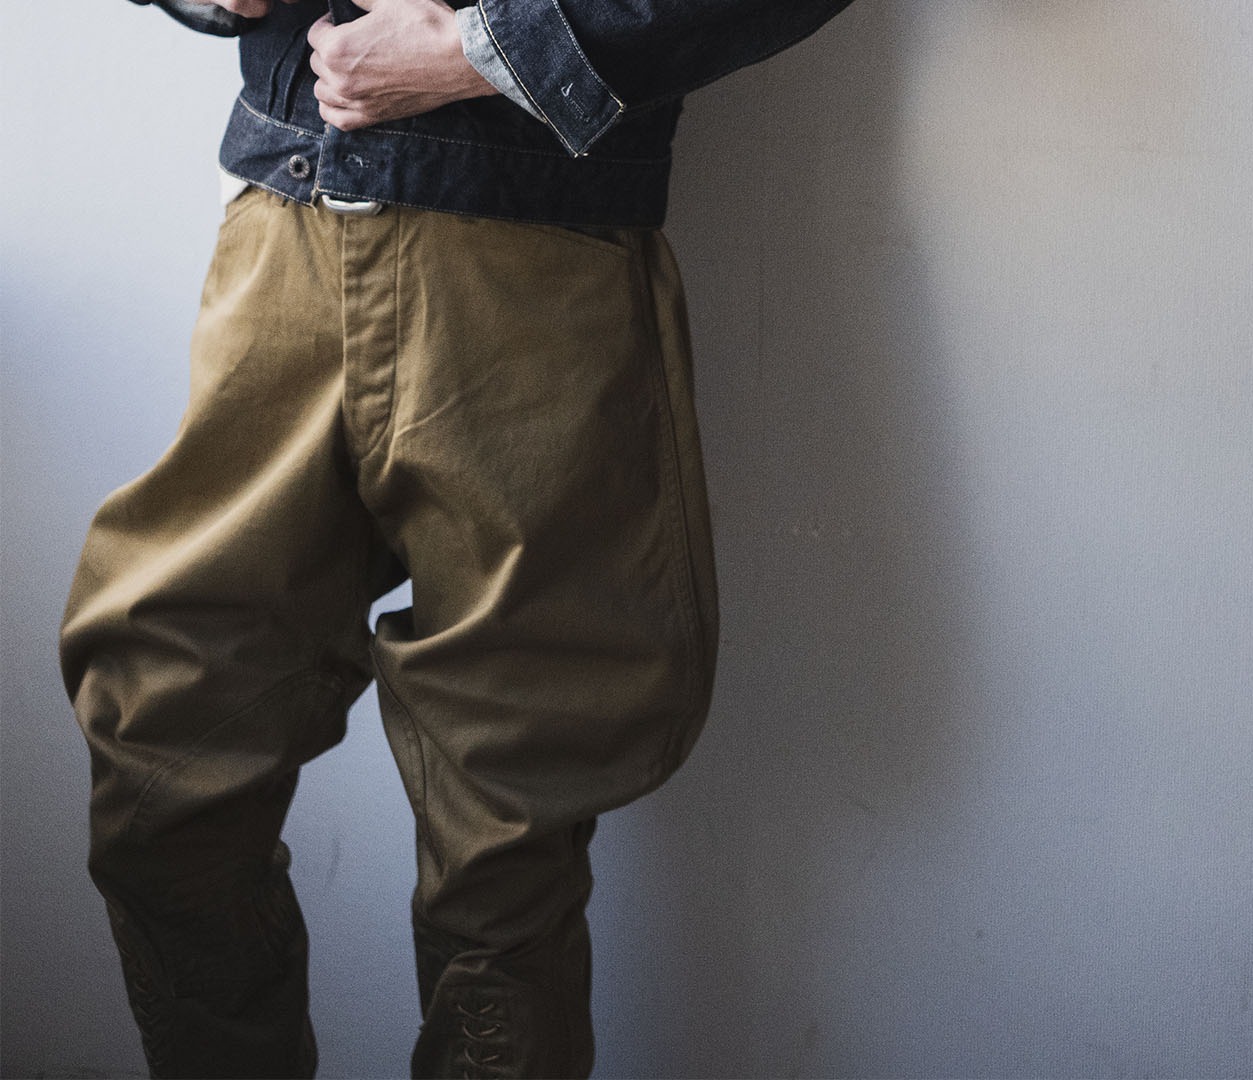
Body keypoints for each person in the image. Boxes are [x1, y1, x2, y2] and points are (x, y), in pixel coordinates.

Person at [59, 0, 852, 1076]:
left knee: (506, 837)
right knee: (160, 758)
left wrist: (476, 55)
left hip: (531, 279)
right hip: (278, 245)